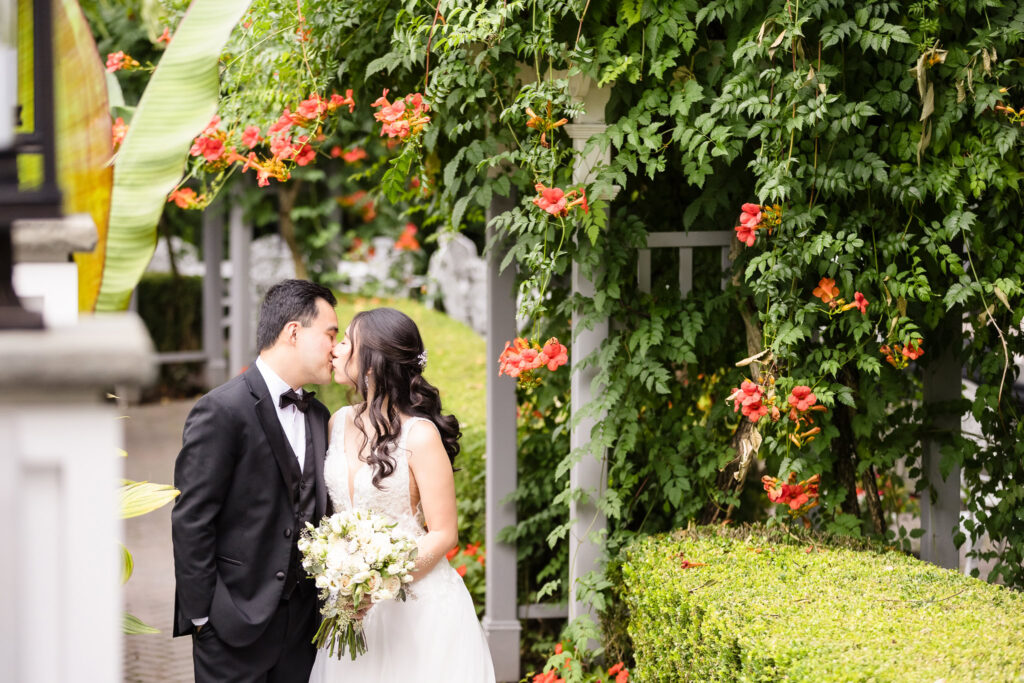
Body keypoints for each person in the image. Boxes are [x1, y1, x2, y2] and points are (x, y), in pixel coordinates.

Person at [308, 307, 495, 682]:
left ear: (371, 363)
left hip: (417, 611)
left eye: (346, 341)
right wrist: (343, 576)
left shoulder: (419, 435)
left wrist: (378, 583)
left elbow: (444, 533)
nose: (336, 349)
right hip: (351, 609)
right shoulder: (337, 421)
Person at [171, 279, 339, 683]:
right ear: (293, 332)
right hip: (230, 624)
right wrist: (203, 616)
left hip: (302, 629)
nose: (336, 347)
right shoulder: (221, 410)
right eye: (330, 333)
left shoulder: (319, 415)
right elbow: (192, 519)